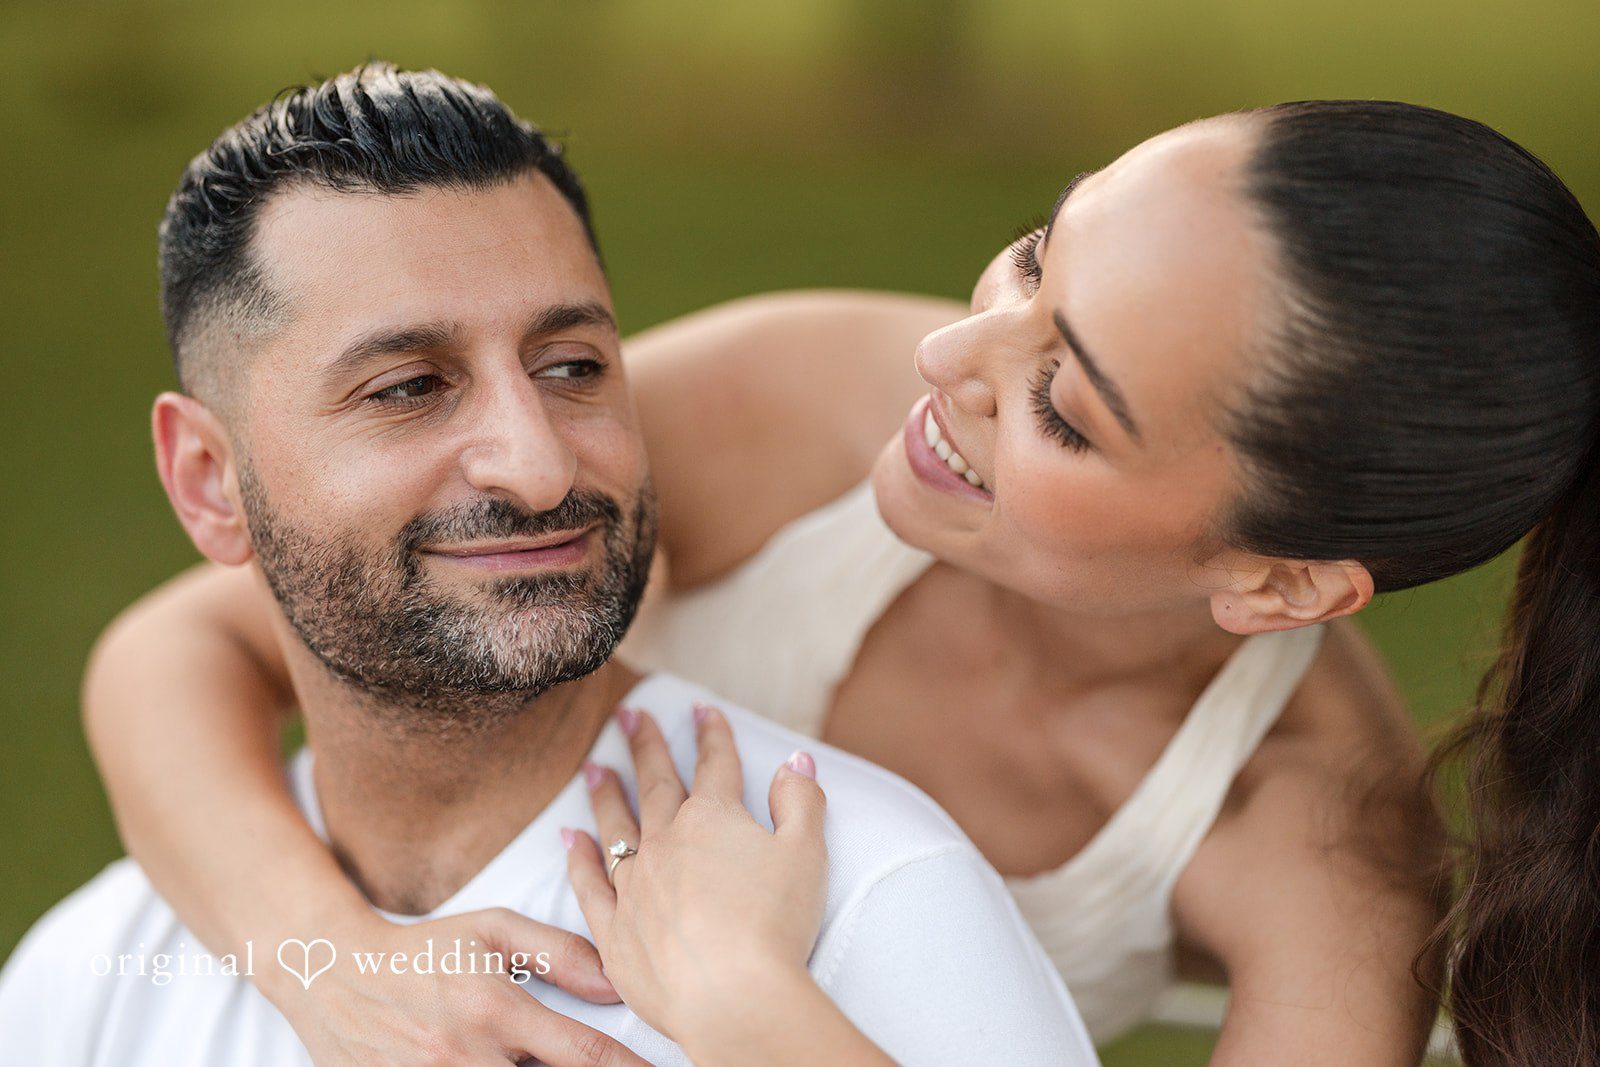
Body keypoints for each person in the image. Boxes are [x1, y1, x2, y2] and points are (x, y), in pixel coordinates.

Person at [77, 94, 1599, 1064]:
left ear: (1278, 584)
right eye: (1031, 259)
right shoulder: (817, 401)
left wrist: (752, 1011)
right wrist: (339, 969)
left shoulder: (1318, 858)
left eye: (1067, 404)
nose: (951, 356)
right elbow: (184, 646)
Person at [0, 63, 1100, 1067]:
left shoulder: (868, 907)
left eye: (572, 364)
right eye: (408, 387)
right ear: (205, 478)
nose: (534, 463)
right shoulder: (93, 974)